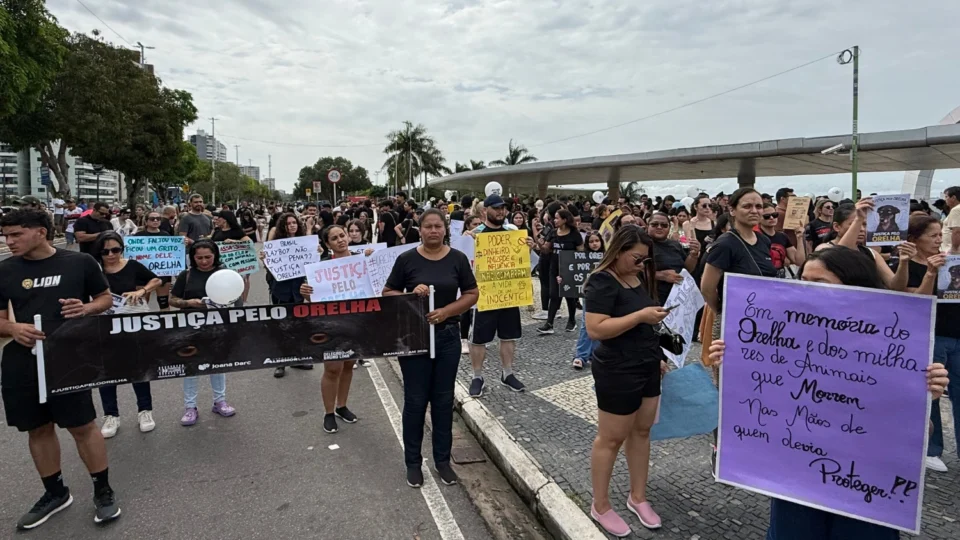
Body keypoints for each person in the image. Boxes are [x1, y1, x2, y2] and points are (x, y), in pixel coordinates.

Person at [707, 246, 950, 540]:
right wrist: (732, 364)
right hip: (795, 481)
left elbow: (922, 434)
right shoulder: (779, 339)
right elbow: (747, 406)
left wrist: (924, 400)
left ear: (857, 287)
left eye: (820, 284)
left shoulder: (894, 347)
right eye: (803, 281)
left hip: (865, 488)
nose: (807, 290)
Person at [0, 209, 121, 529]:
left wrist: (86, 308)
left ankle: (103, 490)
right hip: (22, 362)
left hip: (69, 356)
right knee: (37, 428)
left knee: (82, 426)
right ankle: (55, 493)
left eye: (15, 234)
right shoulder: (5, 270)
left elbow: (105, 299)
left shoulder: (79, 263)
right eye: (6, 235)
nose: (8, 241)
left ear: (40, 232)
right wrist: (13, 329)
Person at [383, 209, 479, 488]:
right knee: (415, 401)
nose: (434, 231)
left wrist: (447, 312)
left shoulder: (458, 259)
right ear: (420, 230)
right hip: (414, 338)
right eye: (428, 226)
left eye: (438, 226)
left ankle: (442, 461)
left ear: (445, 229)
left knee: (442, 400)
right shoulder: (407, 260)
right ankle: (413, 462)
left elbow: (472, 294)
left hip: (447, 337)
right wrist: (412, 295)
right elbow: (388, 293)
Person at [584, 225, 669, 536]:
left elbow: (645, 324)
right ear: (618, 251)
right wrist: (640, 316)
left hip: (646, 362)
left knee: (642, 431)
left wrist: (657, 354)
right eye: (637, 257)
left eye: (646, 260)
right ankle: (601, 505)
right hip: (617, 368)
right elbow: (596, 329)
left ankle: (638, 497)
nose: (642, 264)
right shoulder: (602, 281)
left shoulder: (637, 277)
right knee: (611, 438)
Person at [896, 215, 958, 472]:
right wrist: (932, 273)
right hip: (931, 335)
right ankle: (931, 449)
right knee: (931, 394)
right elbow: (915, 301)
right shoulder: (908, 265)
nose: (938, 240)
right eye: (932, 235)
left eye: (939, 234)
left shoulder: (949, 261)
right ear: (914, 239)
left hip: (956, 332)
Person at [92, 231, 162, 438]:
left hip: (132, 323)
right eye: (105, 251)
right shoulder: (93, 269)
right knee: (106, 371)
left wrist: (142, 291)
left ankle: (145, 411)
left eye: (116, 250)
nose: (111, 254)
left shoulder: (132, 265)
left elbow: (156, 280)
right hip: (103, 325)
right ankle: (111, 414)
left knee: (138, 368)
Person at [465, 194, 534, 396]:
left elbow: (521, 262)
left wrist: (527, 248)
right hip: (485, 296)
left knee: (509, 335)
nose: (501, 212)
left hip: (509, 294)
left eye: (503, 208)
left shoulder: (513, 232)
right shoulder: (474, 234)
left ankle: (508, 373)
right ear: (485, 210)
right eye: (496, 208)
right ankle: (477, 376)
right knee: (478, 338)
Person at [299, 225, 364, 433]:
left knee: (348, 364)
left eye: (342, 235)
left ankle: (341, 406)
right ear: (328, 244)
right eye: (334, 238)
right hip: (331, 324)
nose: (340, 240)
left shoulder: (361, 261)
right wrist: (305, 292)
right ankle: (328, 412)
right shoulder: (321, 268)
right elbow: (312, 298)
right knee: (332, 368)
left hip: (355, 322)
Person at [169, 240, 237, 426]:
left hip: (217, 327)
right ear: (192, 258)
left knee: (217, 365)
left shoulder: (225, 274)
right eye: (199, 258)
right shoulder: (187, 275)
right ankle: (190, 407)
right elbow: (173, 299)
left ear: (215, 255)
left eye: (208, 257)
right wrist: (189, 303)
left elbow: (237, 298)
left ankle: (220, 401)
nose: (204, 261)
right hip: (190, 328)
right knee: (191, 367)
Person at [262, 212, 316, 378]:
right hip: (281, 290)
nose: (292, 225)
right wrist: (265, 259)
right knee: (281, 326)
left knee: (298, 325)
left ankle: (297, 358)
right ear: (283, 227)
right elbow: (269, 267)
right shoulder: (276, 245)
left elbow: (312, 262)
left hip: (298, 289)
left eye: (294, 222)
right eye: (288, 223)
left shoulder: (303, 242)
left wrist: (317, 251)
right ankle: (281, 362)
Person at [816, 199, 912, 292]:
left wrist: (903, 262)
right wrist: (859, 218)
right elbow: (841, 255)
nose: (862, 229)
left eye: (865, 224)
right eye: (854, 223)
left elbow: (896, 287)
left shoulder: (871, 253)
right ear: (837, 227)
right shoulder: (824, 249)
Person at [538, 209, 583, 334]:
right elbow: (546, 250)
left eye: (557, 218)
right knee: (554, 295)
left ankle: (572, 320)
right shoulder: (553, 233)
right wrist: (540, 244)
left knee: (569, 295)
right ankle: (549, 323)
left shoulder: (575, 234)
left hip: (569, 268)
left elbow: (580, 252)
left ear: (565, 219)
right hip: (554, 267)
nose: (555, 220)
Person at [648, 211, 700, 303]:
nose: (659, 227)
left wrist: (693, 255)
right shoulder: (642, 245)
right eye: (655, 224)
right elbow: (632, 271)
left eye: (664, 225)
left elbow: (687, 269)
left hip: (678, 296)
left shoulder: (675, 245)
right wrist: (660, 275)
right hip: (653, 298)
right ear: (648, 225)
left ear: (669, 227)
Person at [573, 231, 604, 370]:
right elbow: (572, 273)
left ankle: (594, 354)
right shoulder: (582, 259)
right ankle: (581, 355)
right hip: (589, 295)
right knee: (586, 325)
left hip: (604, 295)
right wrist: (563, 279)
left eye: (597, 240)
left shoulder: (608, 257)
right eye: (591, 241)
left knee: (600, 325)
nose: (594, 244)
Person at [134, 211, 176, 311]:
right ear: (146, 221)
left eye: (158, 219)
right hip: (143, 273)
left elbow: (173, 253)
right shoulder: (138, 236)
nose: (156, 220)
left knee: (163, 302)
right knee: (142, 303)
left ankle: (167, 324)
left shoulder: (166, 235)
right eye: (152, 219)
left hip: (162, 272)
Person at [211, 210, 252, 305]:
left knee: (240, 282)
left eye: (219, 218)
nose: (216, 220)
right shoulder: (217, 231)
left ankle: (242, 302)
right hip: (220, 264)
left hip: (236, 264)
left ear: (224, 220)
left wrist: (234, 242)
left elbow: (249, 244)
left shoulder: (237, 231)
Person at [758, 202, 805, 277]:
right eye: (766, 216)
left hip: (780, 278)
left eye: (775, 215)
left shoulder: (782, 236)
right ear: (759, 218)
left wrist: (799, 238)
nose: (772, 218)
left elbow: (799, 262)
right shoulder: (755, 237)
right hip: (762, 278)